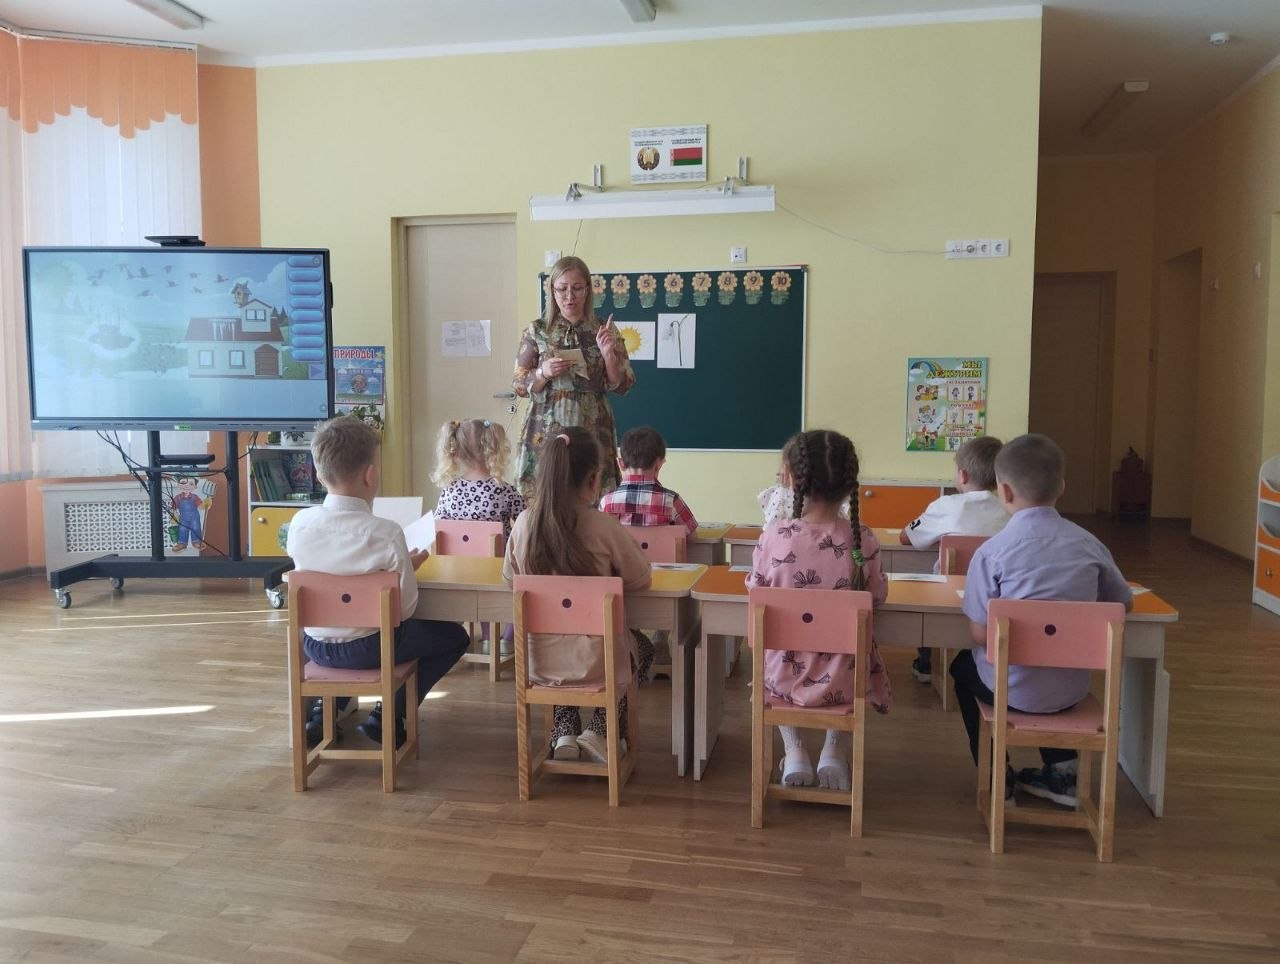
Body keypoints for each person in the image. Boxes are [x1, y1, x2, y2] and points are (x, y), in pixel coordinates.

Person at [951, 433, 1133, 807]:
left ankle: (996, 776)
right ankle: (1064, 773)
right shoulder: (1090, 544)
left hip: (1010, 692)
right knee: (1050, 671)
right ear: (1062, 486)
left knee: (961, 668)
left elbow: (980, 633)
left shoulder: (993, 552)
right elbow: (1121, 604)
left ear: (1003, 491)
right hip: (1070, 693)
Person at [286, 416, 469, 749]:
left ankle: (323, 712)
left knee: (346, 628)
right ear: (371, 475)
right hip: (370, 648)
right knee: (454, 637)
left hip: (315, 645)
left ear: (319, 475)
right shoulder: (385, 533)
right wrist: (404, 569)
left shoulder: (299, 524)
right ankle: (389, 714)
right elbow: (405, 609)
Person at [746, 429, 892, 791]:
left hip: (783, 677)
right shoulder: (863, 539)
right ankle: (832, 750)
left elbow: (756, 593)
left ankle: (794, 750)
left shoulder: (774, 536)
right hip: (846, 680)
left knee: (772, 653)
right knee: (847, 653)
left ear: (792, 479)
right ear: (849, 483)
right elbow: (876, 596)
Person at [503, 426, 651, 763]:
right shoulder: (604, 527)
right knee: (640, 648)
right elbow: (641, 579)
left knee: (560, 642)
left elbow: (511, 580)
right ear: (594, 478)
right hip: (598, 663)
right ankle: (600, 729)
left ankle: (565, 730)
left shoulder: (524, 523)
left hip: (538, 663)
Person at [511, 255, 635, 499]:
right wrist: (543, 373)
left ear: (587, 290)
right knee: (547, 494)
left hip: (592, 424)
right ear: (552, 291)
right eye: (562, 289)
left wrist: (608, 355)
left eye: (577, 288)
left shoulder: (604, 329)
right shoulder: (537, 330)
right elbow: (519, 384)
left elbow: (624, 385)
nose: (570, 296)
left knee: (592, 493)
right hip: (546, 425)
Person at [899, 435, 1007, 683]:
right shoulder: (1007, 508)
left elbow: (907, 537)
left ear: (963, 475)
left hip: (947, 595)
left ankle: (926, 663)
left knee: (921, 589)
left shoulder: (946, 505)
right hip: (995, 597)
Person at [599, 425, 698, 682]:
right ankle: (660, 639)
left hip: (623, 586)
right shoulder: (671, 500)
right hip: (664, 586)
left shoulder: (607, 502)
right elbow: (690, 532)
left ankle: (632, 640)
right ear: (660, 464)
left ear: (620, 462)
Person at [432, 418, 526, 539]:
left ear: (457, 452)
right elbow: (527, 524)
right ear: (492, 449)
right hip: (499, 552)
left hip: (458, 552)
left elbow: (436, 529)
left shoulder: (449, 491)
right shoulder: (505, 491)